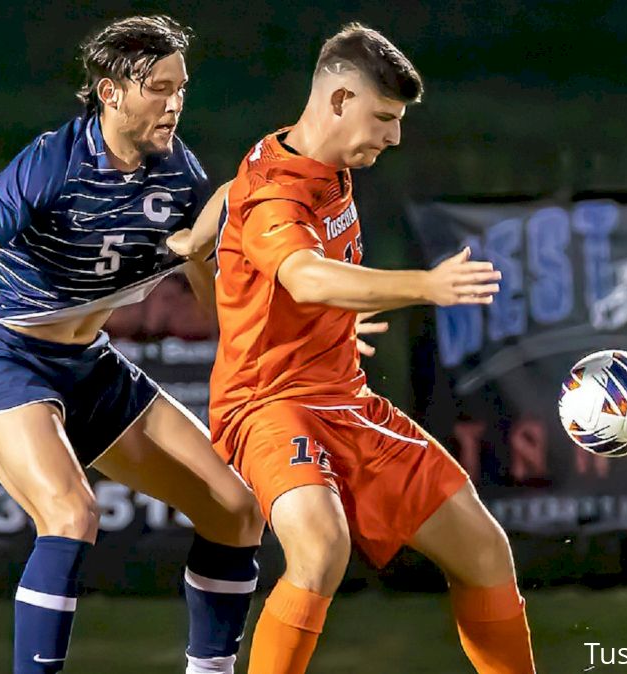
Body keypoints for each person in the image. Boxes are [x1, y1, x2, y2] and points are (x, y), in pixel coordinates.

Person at [0, 16, 265, 674]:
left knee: (237, 512)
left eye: (181, 87)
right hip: (5, 354)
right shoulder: (54, 162)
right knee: (71, 514)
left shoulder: (179, 174)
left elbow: (215, 291)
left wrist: (274, 312)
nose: (175, 102)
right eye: (158, 88)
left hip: (89, 364)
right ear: (110, 92)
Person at [207, 23, 536, 674]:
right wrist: (426, 285)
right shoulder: (279, 186)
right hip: (269, 406)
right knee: (322, 549)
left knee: (483, 549)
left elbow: (256, 240)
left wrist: (323, 321)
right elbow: (301, 273)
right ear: (337, 102)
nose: (393, 136)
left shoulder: (322, 166)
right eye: (383, 117)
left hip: (344, 400)